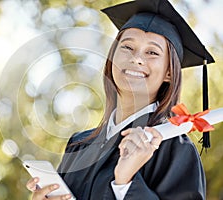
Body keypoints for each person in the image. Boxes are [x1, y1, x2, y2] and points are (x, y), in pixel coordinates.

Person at [26, 0, 215, 199]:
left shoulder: (174, 147)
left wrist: (125, 183)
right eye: (127, 47)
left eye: (152, 52)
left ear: (169, 72)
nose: (136, 58)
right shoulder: (79, 144)